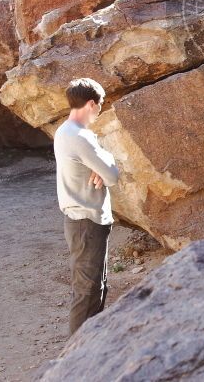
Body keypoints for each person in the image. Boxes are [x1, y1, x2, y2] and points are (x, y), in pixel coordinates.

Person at [53, 78, 119, 336]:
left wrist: (102, 163)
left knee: (94, 287)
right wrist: (105, 164)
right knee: (87, 291)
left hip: (82, 221)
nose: (100, 110)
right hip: (87, 222)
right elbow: (113, 175)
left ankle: (90, 348)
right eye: (100, 105)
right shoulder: (81, 137)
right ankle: (75, 359)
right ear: (91, 104)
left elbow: (105, 167)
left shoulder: (65, 131)